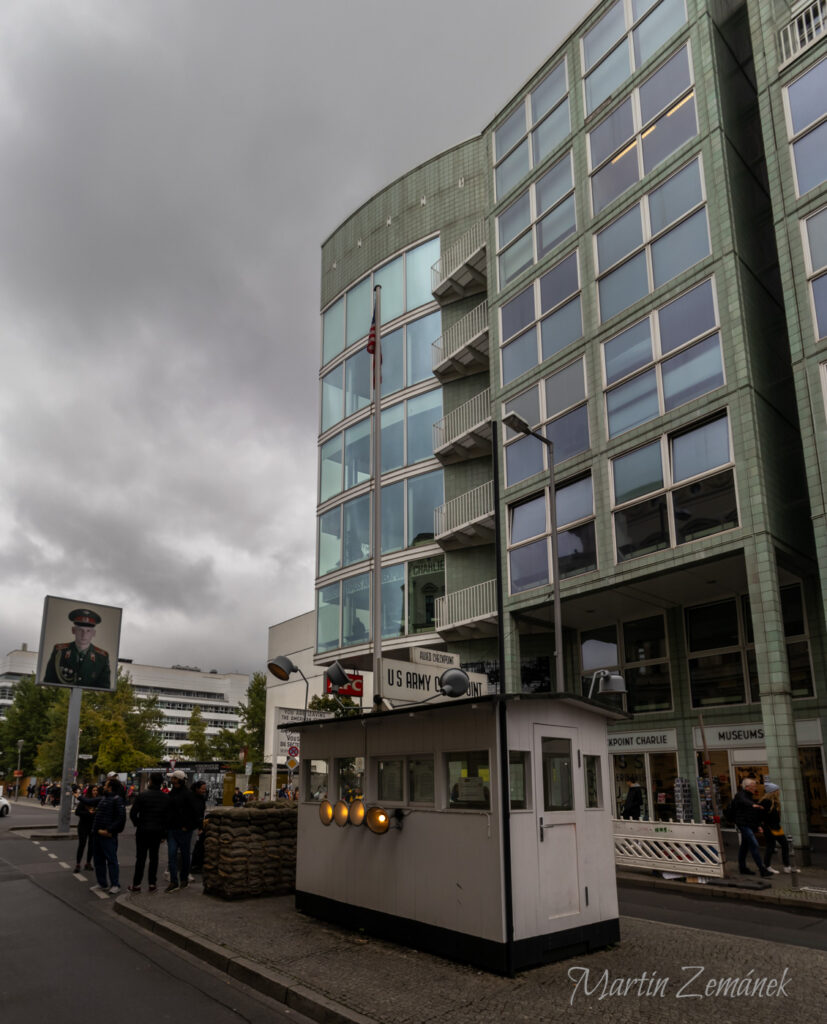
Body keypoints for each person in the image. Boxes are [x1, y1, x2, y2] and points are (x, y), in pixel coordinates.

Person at [43, 608, 111, 689]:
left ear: (94, 633)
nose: (84, 635)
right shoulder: (60, 651)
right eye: (80, 630)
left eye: (88, 631)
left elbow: (104, 689)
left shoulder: (102, 657)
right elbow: (49, 682)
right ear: (73, 630)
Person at [128, 772, 168, 893]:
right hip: (157, 831)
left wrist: (138, 824)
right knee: (154, 858)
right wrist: (164, 834)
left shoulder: (143, 795)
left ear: (150, 781)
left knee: (140, 858)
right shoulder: (165, 797)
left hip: (143, 830)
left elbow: (133, 813)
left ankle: (136, 884)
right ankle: (152, 884)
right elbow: (167, 817)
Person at [164, 770, 200, 893]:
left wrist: (188, 826)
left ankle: (183, 879)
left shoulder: (188, 794)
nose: (171, 779)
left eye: (173, 778)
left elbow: (195, 812)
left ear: (178, 780)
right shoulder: (172, 793)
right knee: (172, 855)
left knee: (184, 856)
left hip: (183, 830)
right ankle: (174, 881)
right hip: (172, 829)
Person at [91, 777, 127, 894]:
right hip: (97, 834)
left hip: (108, 835)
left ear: (110, 787)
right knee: (98, 860)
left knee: (111, 859)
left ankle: (115, 884)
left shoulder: (117, 800)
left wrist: (109, 830)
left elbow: (121, 818)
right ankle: (102, 883)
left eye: (105, 785)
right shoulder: (104, 798)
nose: (103, 787)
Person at [732, 777, 773, 878]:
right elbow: (744, 801)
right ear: (747, 787)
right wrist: (753, 805)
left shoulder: (750, 796)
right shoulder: (741, 795)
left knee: (744, 847)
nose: (755, 788)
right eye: (753, 786)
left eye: (755, 786)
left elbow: (752, 815)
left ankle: (742, 868)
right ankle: (762, 869)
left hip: (748, 824)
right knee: (754, 844)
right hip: (743, 824)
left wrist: (758, 825)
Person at [760, 782, 799, 875]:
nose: (779, 792)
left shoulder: (775, 802)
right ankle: (768, 866)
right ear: (773, 792)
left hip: (776, 827)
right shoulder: (766, 802)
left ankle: (786, 866)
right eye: (777, 790)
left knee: (782, 845)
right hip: (769, 827)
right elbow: (762, 815)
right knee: (772, 846)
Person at [74, 784, 101, 872]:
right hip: (83, 826)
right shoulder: (85, 800)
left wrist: (96, 813)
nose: (95, 792)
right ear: (90, 791)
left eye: (96, 790)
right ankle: (78, 864)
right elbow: (77, 812)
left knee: (91, 845)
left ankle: (88, 863)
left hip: (93, 826)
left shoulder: (98, 801)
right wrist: (88, 813)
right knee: (82, 844)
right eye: (93, 790)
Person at [189, 780, 208, 875]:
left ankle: (191, 866)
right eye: (202, 789)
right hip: (192, 826)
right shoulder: (192, 798)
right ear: (197, 788)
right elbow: (196, 814)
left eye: (205, 789)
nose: (204, 790)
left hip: (197, 826)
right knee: (190, 850)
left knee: (193, 848)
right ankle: (188, 870)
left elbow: (201, 814)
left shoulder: (202, 798)